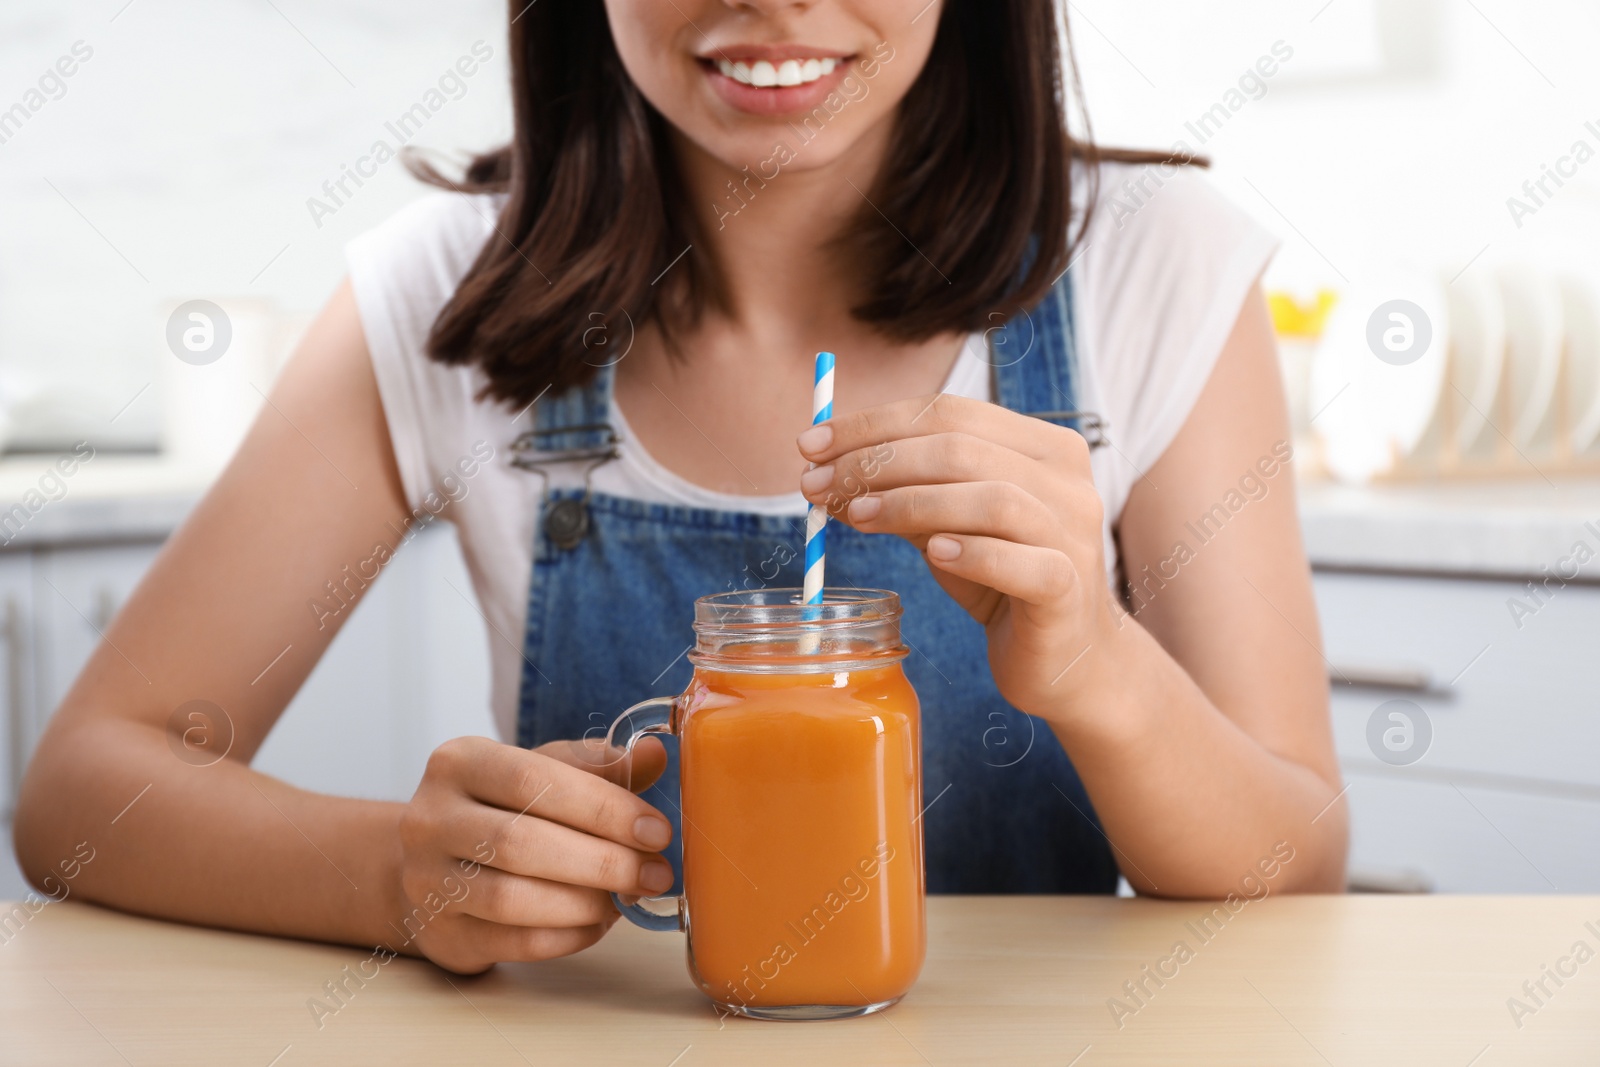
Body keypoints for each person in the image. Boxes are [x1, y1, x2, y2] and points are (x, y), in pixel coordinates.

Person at [15, 0, 1347, 975]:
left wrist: (1101, 664)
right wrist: (395, 875)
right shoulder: (443, 295)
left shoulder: (1155, 268)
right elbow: (83, 790)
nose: (773, 1)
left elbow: (1295, 863)